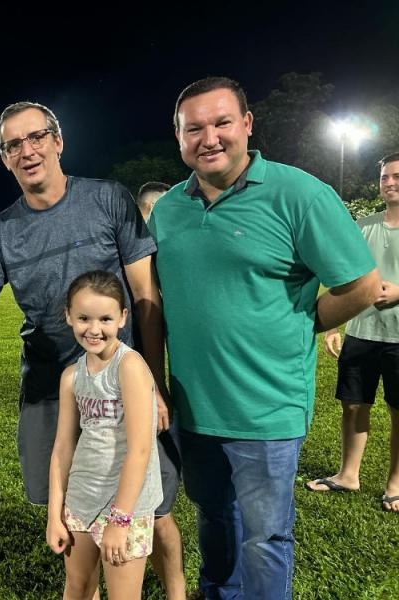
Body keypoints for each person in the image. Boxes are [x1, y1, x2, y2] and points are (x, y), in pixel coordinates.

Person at [0, 100, 186, 598]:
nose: (27, 150)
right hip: (50, 383)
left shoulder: (107, 199)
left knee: (155, 505)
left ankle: (176, 591)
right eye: (12, 145)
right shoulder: (2, 229)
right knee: (68, 507)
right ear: (4, 158)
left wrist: (153, 383)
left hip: (121, 384)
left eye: (36, 137)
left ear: (58, 141)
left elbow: (145, 296)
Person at [147, 76, 381, 599]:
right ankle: (219, 592)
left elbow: (362, 285)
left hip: (267, 408)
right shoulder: (169, 209)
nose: (209, 138)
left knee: (265, 536)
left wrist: (304, 320)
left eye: (222, 123)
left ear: (247, 124)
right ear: (179, 137)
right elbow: (154, 301)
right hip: (193, 406)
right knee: (213, 515)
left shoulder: (300, 194)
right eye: (194, 128)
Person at [47, 270, 162, 600]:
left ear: (122, 318)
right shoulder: (71, 377)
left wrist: (120, 519)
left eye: (105, 319)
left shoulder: (129, 366)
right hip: (81, 501)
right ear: (68, 315)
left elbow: (140, 449)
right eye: (84, 318)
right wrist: (55, 514)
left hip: (126, 507)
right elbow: (62, 448)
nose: (94, 329)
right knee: (78, 588)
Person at [305, 152, 399, 514]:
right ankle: (348, 475)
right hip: (362, 331)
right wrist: (335, 324)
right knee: (353, 404)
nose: (389, 183)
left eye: (397, 176)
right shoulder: (363, 226)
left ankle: (395, 484)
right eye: (385, 177)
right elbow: (344, 276)